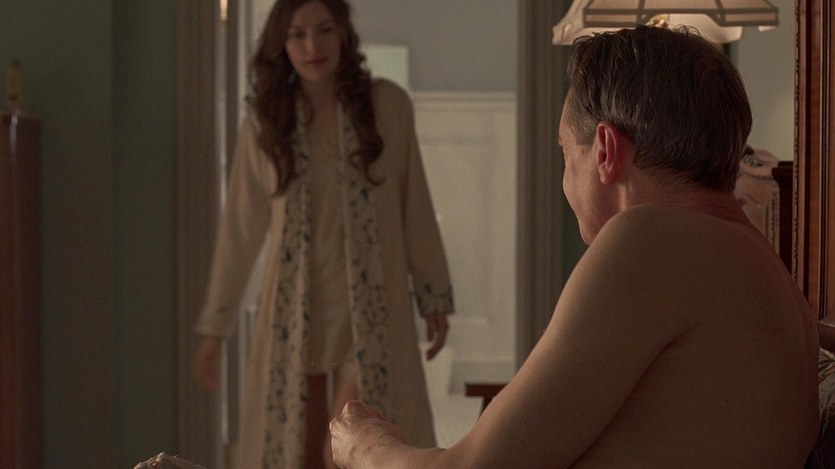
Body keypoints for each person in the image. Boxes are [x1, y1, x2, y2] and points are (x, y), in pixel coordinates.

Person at [330, 25, 820, 468]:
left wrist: (363, 445)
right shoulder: (760, 264)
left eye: (566, 152)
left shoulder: (650, 239)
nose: (565, 178)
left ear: (605, 150)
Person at [192, 0, 454, 467]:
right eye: (298, 35)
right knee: (301, 452)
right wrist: (215, 328)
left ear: (343, 34)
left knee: (351, 449)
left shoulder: (387, 107)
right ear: (282, 44)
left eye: (324, 30)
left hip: (369, 310)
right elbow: (240, 231)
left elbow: (413, 205)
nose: (313, 46)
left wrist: (432, 293)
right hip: (297, 311)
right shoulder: (266, 124)